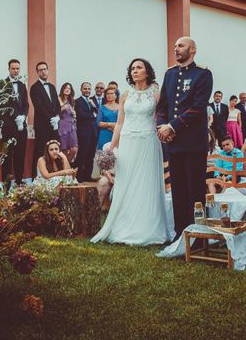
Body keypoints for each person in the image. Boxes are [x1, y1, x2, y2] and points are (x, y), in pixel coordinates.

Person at [92, 58, 174, 245]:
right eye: (132, 68)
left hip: (148, 141)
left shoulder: (155, 93)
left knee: (146, 182)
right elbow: (120, 123)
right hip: (128, 141)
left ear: (147, 71)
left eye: (139, 67)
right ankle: (124, 226)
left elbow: (160, 118)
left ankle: (147, 228)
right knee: (126, 183)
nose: (135, 71)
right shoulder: (125, 94)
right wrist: (112, 147)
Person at [156, 37, 213, 238]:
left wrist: (172, 126)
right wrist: (161, 127)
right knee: (178, 191)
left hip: (194, 143)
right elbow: (163, 105)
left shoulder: (203, 74)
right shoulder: (170, 74)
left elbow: (198, 107)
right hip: (174, 143)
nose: (176, 49)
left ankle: (197, 235)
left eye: (180, 46)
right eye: (175, 46)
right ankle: (180, 235)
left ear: (193, 50)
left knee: (195, 191)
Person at [0, 59, 29, 185]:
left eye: (17, 68)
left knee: (20, 155)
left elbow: (26, 104)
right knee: (7, 155)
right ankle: (6, 183)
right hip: (9, 125)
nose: (15, 71)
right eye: (13, 68)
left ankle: (19, 181)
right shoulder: (3, 83)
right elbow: (6, 104)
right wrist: (16, 117)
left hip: (22, 126)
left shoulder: (22, 85)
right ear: (9, 69)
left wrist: (23, 117)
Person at [29, 61, 60, 178]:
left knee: (55, 151)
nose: (43, 71)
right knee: (40, 150)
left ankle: (54, 175)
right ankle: (35, 177)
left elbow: (57, 104)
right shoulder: (34, 88)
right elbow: (39, 106)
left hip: (54, 124)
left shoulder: (52, 87)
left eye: (45, 69)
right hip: (42, 125)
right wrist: (51, 118)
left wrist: (57, 117)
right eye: (40, 70)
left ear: (48, 70)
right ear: (37, 72)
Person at [74, 82, 98, 182]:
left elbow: (98, 112)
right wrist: (92, 115)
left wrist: (93, 107)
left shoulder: (92, 101)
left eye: (89, 89)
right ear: (81, 89)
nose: (87, 90)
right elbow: (80, 115)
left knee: (90, 155)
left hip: (93, 132)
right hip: (83, 133)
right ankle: (79, 177)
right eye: (85, 89)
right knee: (82, 155)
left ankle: (88, 176)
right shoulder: (77, 101)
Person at [58, 82, 78, 163]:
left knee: (74, 149)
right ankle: (64, 169)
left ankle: (67, 165)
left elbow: (72, 112)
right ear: (62, 89)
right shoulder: (58, 98)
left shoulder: (72, 100)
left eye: (69, 88)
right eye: (65, 88)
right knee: (64, 149)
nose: (67, 89)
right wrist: (63, 107)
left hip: (72, 126)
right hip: (63, 125)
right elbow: (55, 112)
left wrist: (74, 114)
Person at [96, 85, 119, 150]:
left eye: (111, 93)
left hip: (117, 134)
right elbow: (98, 123)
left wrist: (116, 127)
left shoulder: (121, 107)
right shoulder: (102, 108)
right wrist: (111, 124)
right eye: (107, 94)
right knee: (104, 155)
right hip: (105, 134)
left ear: (116, 95)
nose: (109, 95)